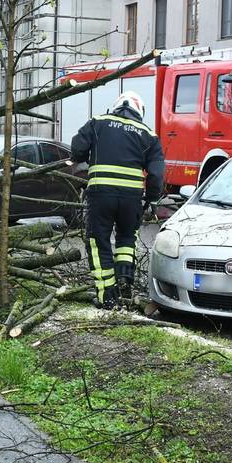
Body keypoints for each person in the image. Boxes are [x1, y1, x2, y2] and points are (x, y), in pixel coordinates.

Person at [71, 91, 165, 309]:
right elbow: (157, 173)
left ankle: (107, 297)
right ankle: (125, 283)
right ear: (139, 110)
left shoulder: (98, 123)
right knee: (126, 238)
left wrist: (84, 157)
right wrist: (151, 199)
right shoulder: (148, 134)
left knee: (98, 241)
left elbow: (77, 148)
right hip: (131, 199)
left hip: (101, 195)